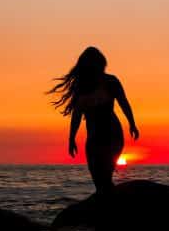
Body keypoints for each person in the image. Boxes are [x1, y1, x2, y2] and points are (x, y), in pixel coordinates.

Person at [48, 46, 139, 194]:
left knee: (106, 177)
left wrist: (132, 124)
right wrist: (71, 138)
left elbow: (123, 102)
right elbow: (76, 115)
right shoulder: (81, 88)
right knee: (98, 179)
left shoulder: (111, 81)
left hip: (112, 134)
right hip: (94, 139)